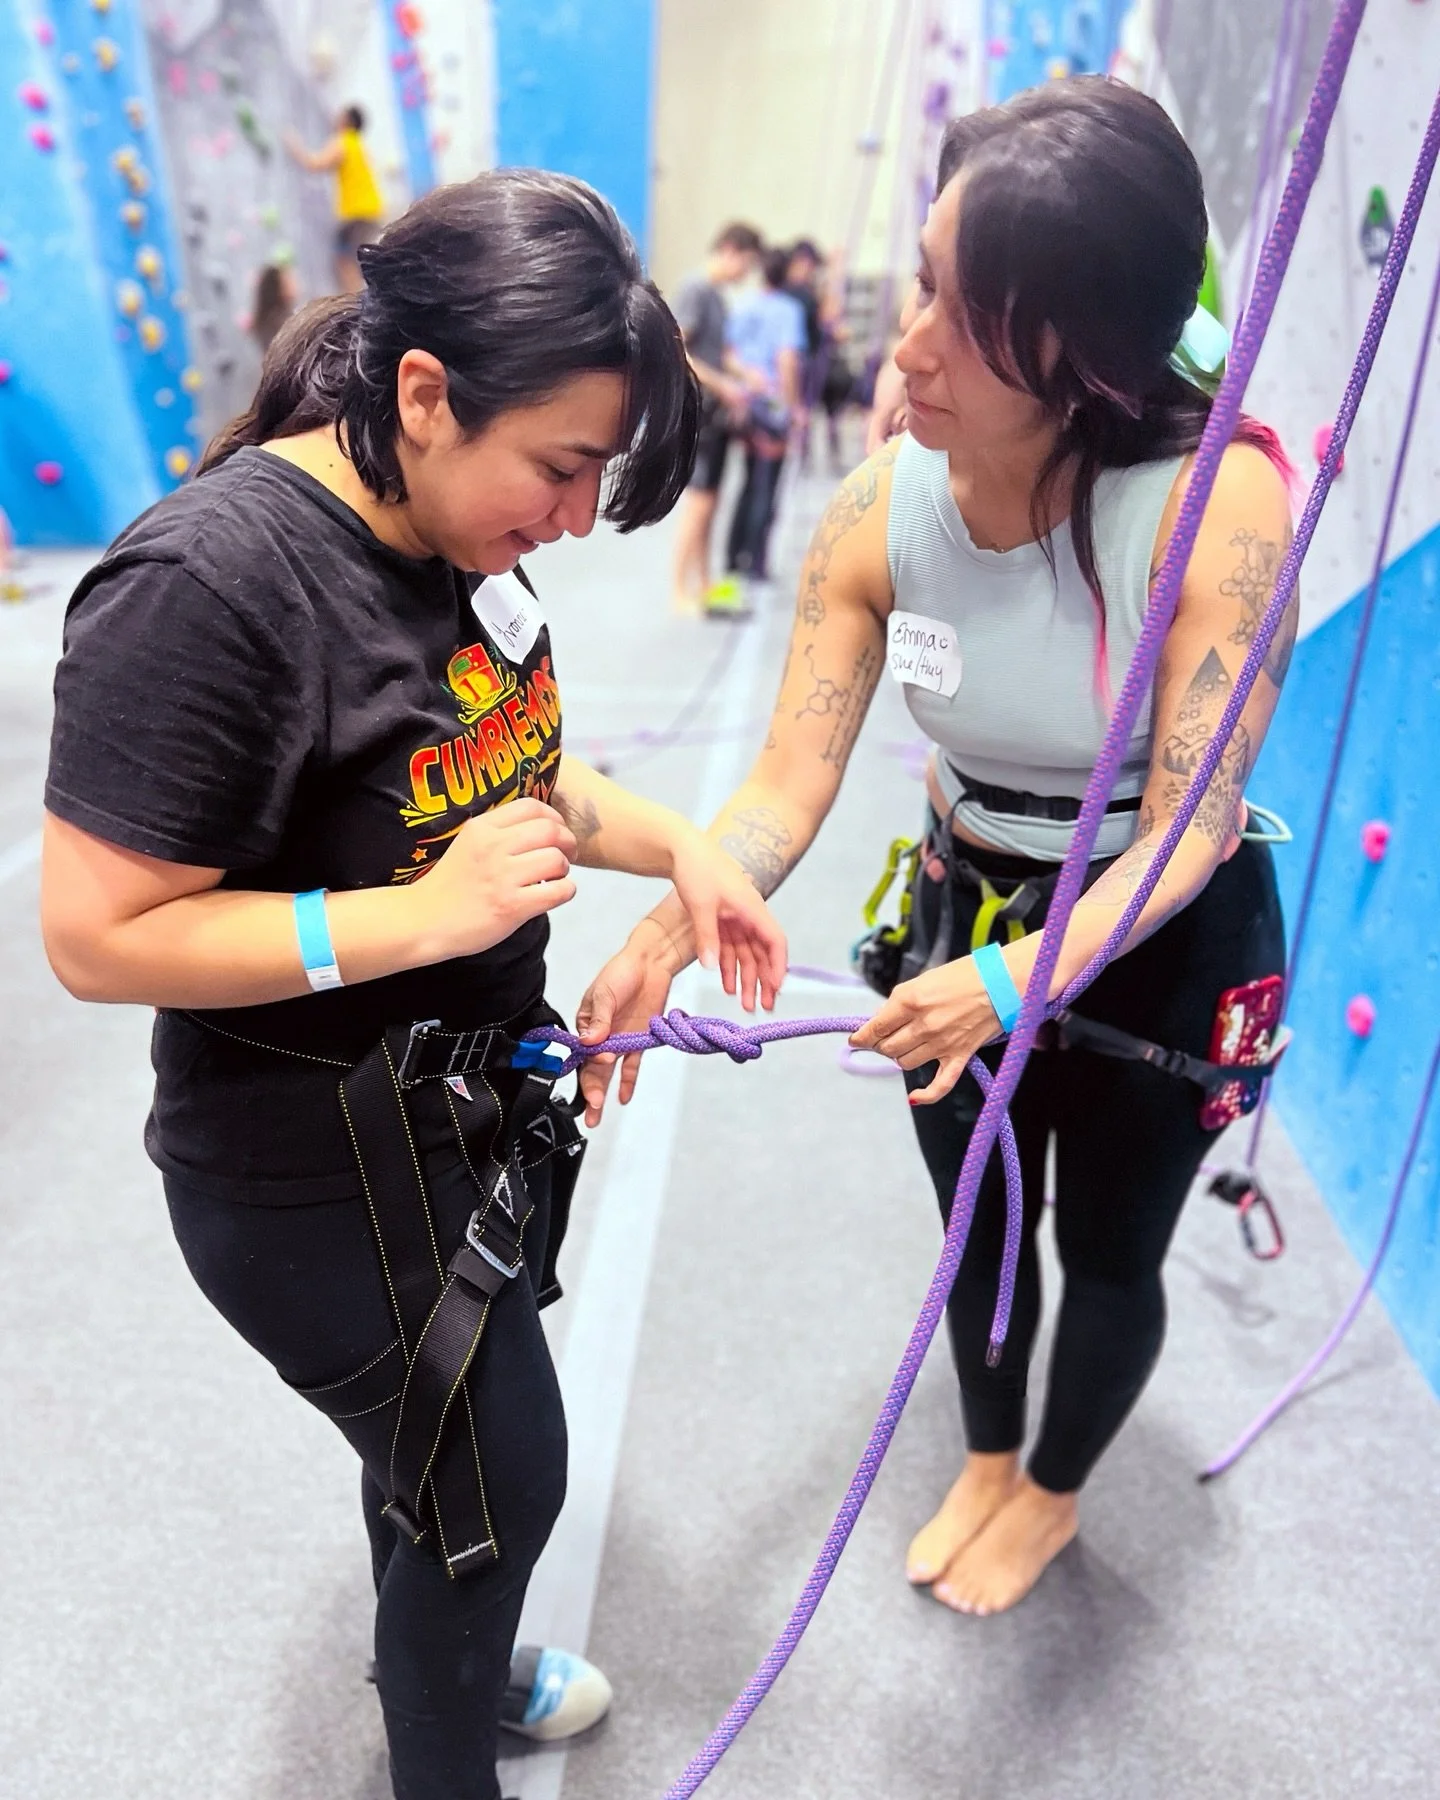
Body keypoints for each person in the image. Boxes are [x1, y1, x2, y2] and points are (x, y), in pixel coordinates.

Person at [41, 171, 786, 1800]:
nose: (577, 519)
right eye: (564, 468)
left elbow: (506, 772)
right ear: (427, 395)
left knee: (447, 1481)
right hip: (310, 1175)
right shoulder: (209, 588)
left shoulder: (450, 528)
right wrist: (405, 924)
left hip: (457, 1118)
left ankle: (460, 1640)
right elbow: (93, 936)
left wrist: (686, 849)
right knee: (498, 1487)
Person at [575, 79, 1296, 1619]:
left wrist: (1019, 976)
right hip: (971, 900)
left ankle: (1047, 1495)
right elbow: (787, 774)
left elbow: (1191, 824)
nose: (906, 349)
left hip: (1152, 937)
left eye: (964, 320)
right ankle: (983, 1449)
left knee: (1108, 1248)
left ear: (1085, 349)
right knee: (978, 1211)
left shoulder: (1212, 509)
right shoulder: (877, 506)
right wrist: (675, 914)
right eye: (921, 285)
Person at [667, 222, 763, 613]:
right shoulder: (695, 289)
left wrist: (744, 374)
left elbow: (718, 353)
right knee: (700, 503)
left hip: (717, 413)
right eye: (747, 263)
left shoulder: (719, 297)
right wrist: (722, 384)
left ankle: (704, 583)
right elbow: (678, 347)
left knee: (712, 501)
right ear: (729, 250)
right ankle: (678, 590)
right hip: (701, 412)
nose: (746, 274)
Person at [708, 246, 807, 614]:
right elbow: (787, 360)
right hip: (773, 404)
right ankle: (757, 559)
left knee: (749, 482)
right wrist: (793, 407)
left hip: (747, 403)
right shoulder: (788, 311)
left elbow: (728, 353)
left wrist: (747, 376)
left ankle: (734, 557)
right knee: (769, 484)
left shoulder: (745, 305)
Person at [285, 103, 386, 294]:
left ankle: (355, 305)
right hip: (370, 211)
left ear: (347, 121)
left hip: (357, 213)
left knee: (345, 261)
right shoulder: (359, 145)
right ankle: (357, 301)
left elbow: (315, 164)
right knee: (353, 260)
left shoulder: (343, 142)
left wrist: (294, 146)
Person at [250, 258, 299, 354]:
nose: (295, 284)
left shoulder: (270, 320)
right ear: (278, 289)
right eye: (289, 281)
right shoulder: (284, 323)